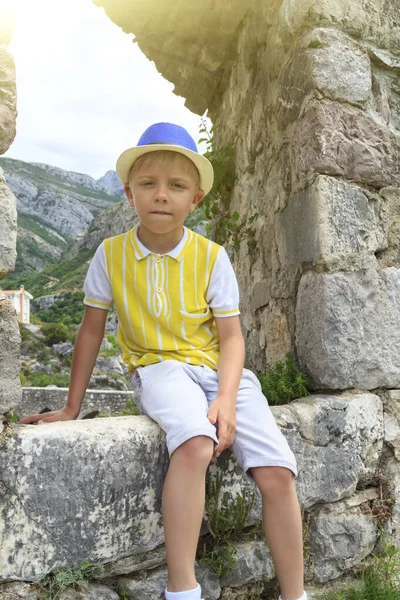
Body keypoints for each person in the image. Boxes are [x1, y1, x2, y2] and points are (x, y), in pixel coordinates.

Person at [19, 123, 307, 600]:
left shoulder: (212, 258)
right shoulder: (110, 256)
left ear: (194, 199)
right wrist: (71, 407)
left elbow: (231, 339)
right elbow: (90, 331)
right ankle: (182, 591)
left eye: (177, 186)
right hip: (159, 369)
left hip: (219, 373)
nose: (161, 196)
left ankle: (296, 595)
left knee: (277, 471)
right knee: (194, 444)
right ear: (129, 193)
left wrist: (229, 400)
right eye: (148, 184)